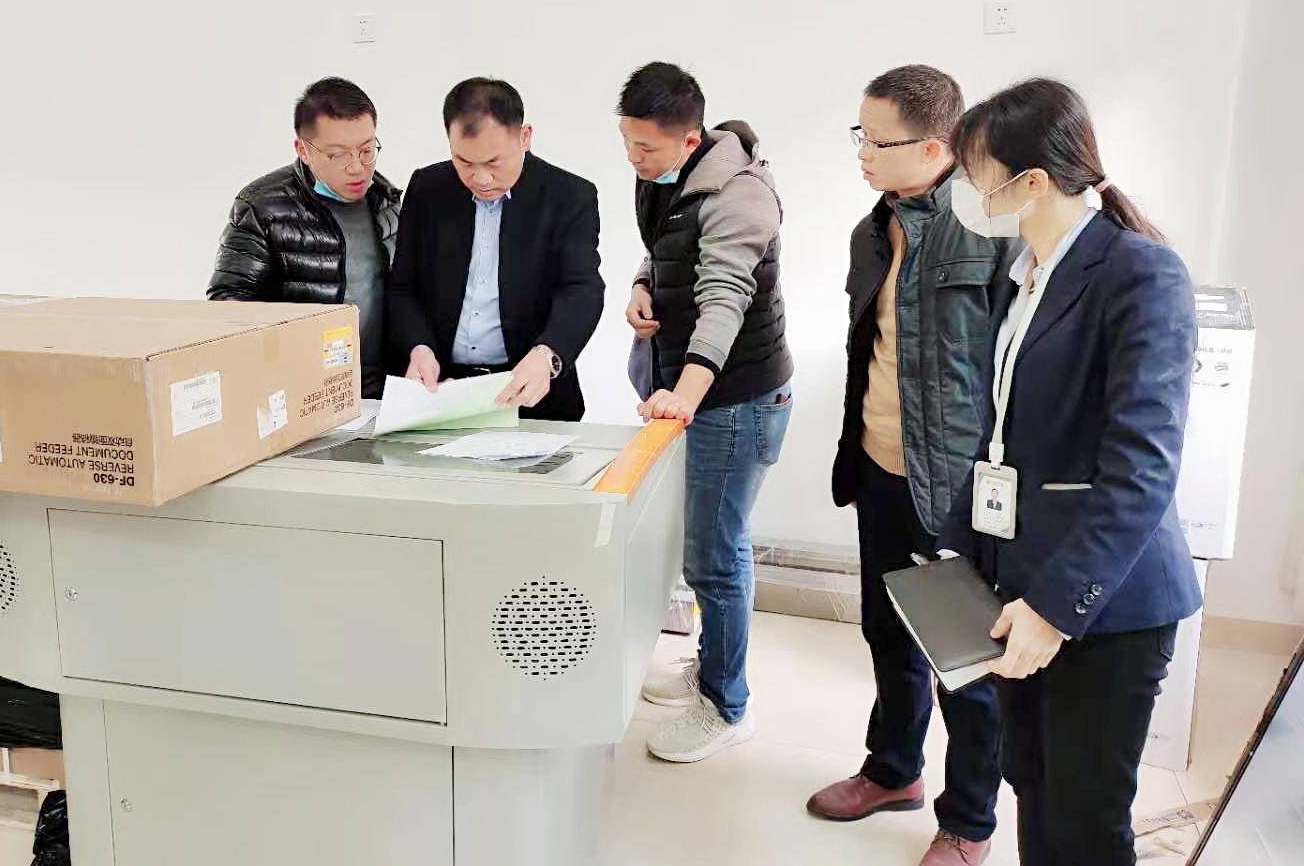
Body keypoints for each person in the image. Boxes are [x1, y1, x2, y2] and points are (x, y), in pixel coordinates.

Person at [940, 78, 1203, 866]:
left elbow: (1141, 470)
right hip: (1020, 581)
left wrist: (1055, 609)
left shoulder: (1140, 274)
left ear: (1033, 182)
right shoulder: (1024, 269)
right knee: (1032, 783)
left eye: (976, 174)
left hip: (1105, 603)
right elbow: (1004, 434)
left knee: (1086, 820)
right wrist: (958, 549)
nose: (966, 192)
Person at [810, 66, 1012, 866]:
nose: (862, 153)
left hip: (956, 487)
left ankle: (970, 822)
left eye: (877, 140)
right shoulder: (874, 229)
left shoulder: (990, 229)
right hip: (879, 469)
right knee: (886, 632)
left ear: (935, 146)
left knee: (966, 663)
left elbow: (1015, 370)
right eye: (858, 135)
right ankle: (893, 771)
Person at [621, 62, 794, 764]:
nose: (635, 158)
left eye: (647, 147)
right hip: (704, 393)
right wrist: (641, 284)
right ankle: (713, 669)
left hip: (736, 399)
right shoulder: (669, 175)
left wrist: (683, 398)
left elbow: (724, 298)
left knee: (716, 558)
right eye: (628, 143)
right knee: (709, 547)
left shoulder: (740, 194)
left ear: (690, 139)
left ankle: (728, 706)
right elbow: (663, 251)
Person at [388, 77, 604, 421]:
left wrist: (548, 354)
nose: (480, 178)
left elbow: (581, 288)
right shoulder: (427, 188)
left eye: (493, 163)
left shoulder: (568, 196)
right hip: (442, 389)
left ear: (524, 137)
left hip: (531, 392)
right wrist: (418, 347)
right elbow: (403, 286)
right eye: (464, 162)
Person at [208, 78, 401, 399]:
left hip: (379, 391)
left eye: (367, 150)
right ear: (303, 150)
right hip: (304, 392)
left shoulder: (386, 200)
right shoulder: (262, 205)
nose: (357, 167)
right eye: (339, 155)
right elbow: (227, 301)